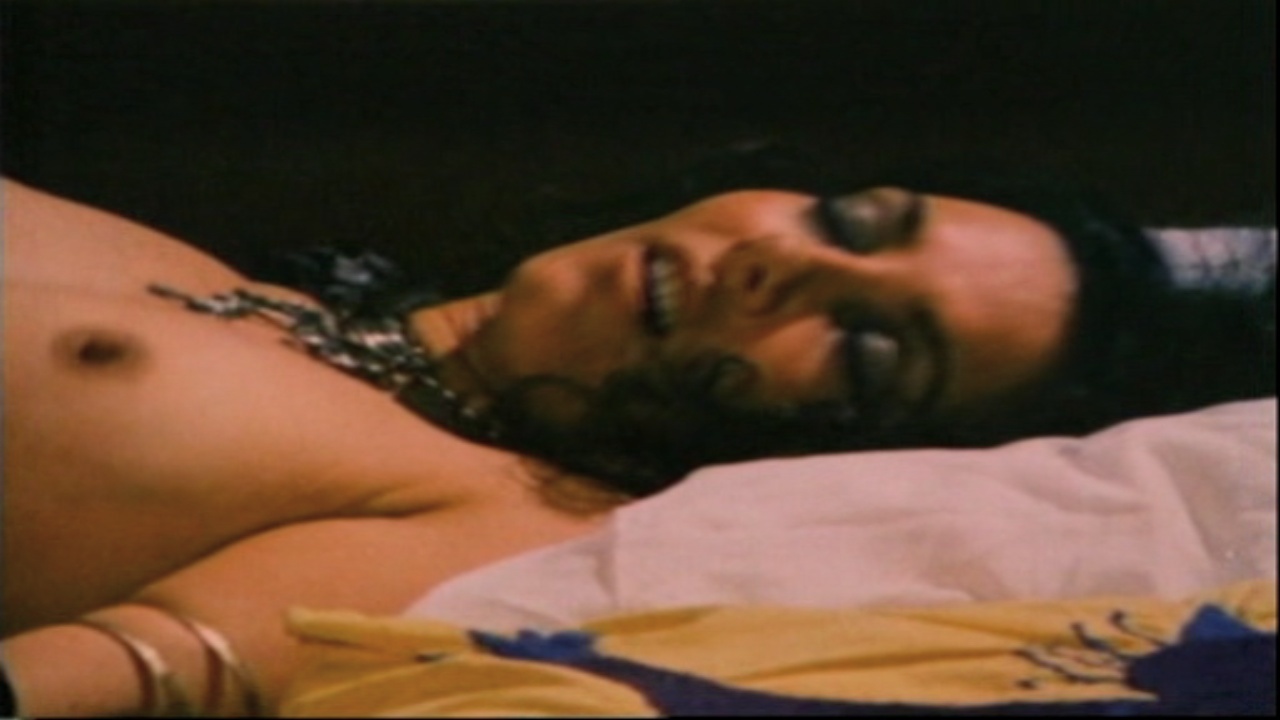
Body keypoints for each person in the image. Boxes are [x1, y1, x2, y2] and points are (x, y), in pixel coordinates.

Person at [1, 157, 1273, 716]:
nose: (785, 262)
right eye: (848, 221)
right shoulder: (255, 297)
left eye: (869, 347)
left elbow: (124, 677)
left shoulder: (497, 512)